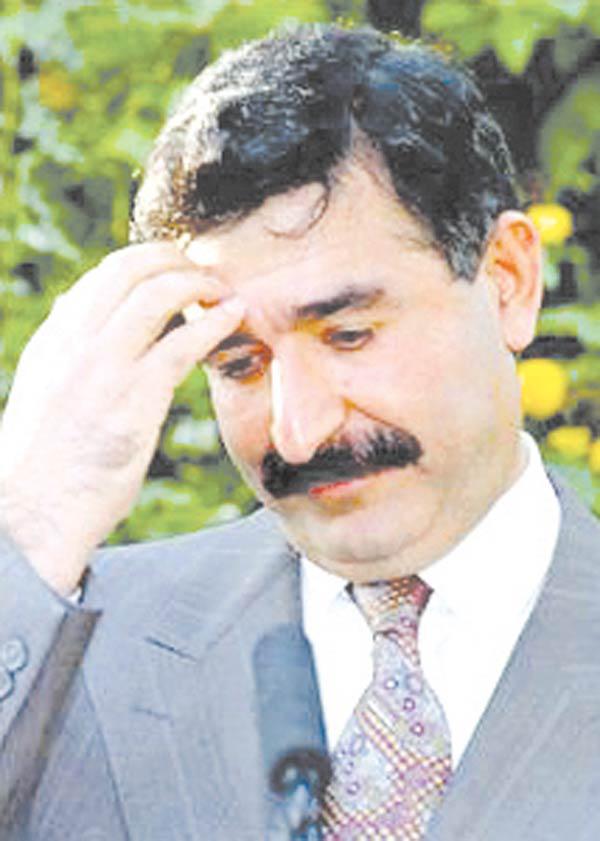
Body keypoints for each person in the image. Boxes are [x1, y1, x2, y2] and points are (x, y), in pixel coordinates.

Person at [0, 22, 598, 841]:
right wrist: (29, 531)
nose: (298, 431)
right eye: (239, 363)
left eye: (348, 335)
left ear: (507, 282)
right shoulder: (71, 650)